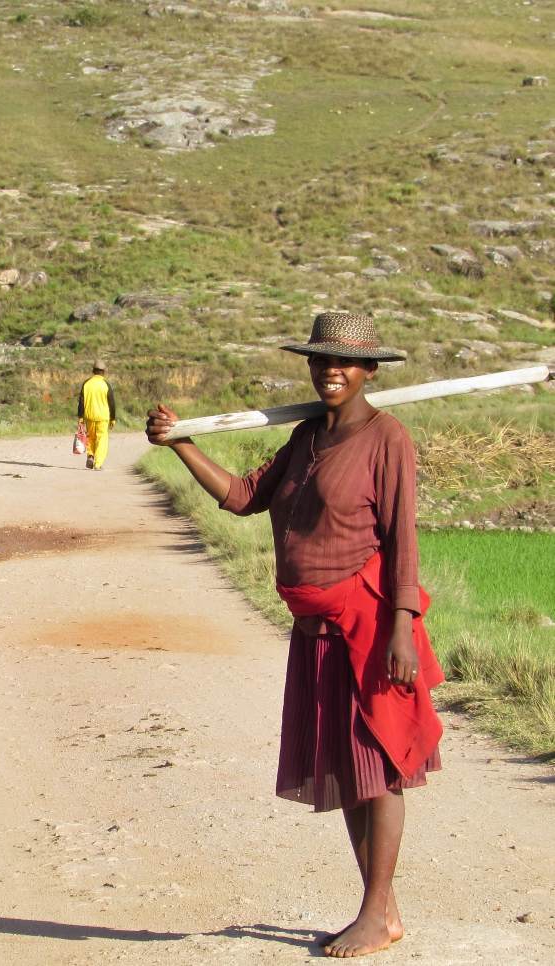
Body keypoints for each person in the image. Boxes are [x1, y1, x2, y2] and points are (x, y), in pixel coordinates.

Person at [145, 312, 443, 959]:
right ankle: (381, 911)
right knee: (346, 769)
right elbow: (246, 496)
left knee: (381, 767)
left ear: (369, 371)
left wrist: (402, 628)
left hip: (369, 623)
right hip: (316, 632)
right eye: (320, 360)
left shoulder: (387, 437)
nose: (330, 370)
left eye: (345, 362)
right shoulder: (306, 438)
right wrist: (182, 443)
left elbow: (403, 540)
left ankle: (373, 912)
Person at [76, 359, 117, 470]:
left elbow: (81, 402)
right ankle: (98, 464)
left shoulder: (86, 383)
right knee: (101, 439)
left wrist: (80, 417)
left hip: (89, 416)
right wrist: (113, 418)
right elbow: (112, 403)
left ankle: (90, 455)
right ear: (104, 372)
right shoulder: (106, 384)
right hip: (103, 417)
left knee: (90, 438)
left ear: (93, 371)